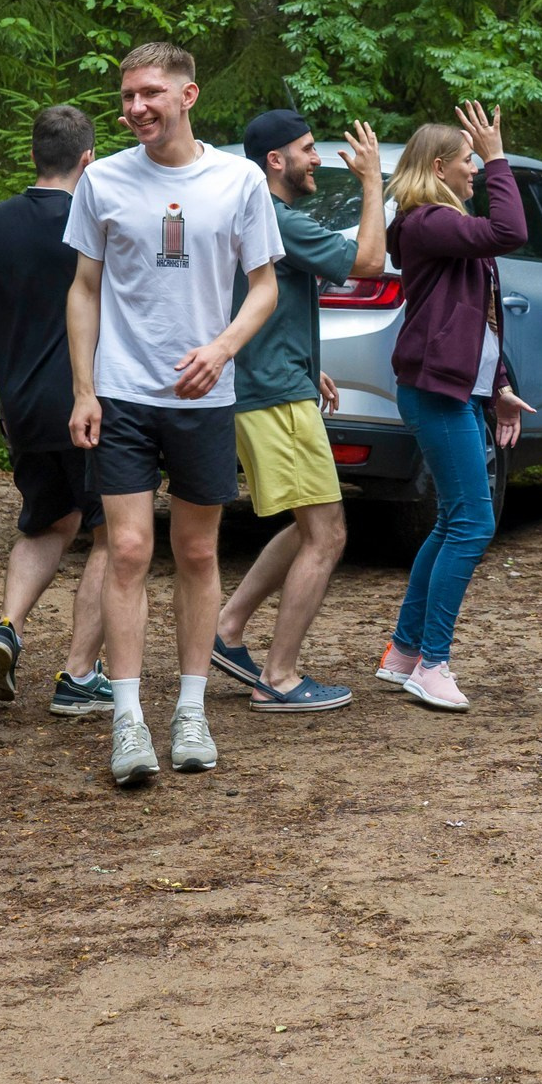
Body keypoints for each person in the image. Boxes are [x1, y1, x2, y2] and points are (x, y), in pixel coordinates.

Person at [65, 43, 284, 786]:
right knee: (127, 550)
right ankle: (127, 720)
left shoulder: (238, 180)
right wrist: (85, 388)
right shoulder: (102, 180)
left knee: (195, 553)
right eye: (126, 96)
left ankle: (191, 709)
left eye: (150, 93)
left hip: (203, 398)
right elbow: (84, 288)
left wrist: (222, 349)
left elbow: (263, 287)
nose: (135, 108)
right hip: (124, 394)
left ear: (188, 94)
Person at [210, 109, 387, 712]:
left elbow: (255, 303)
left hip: (274, 382)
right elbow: (367, 263)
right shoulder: (277, 218)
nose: (318, 160)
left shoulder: (256, 217)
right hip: (272, 396)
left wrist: (306, 363)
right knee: (328, 533)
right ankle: (279, 678)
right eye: (309, 150)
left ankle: (227, 629)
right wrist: (372, 184)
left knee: (306, 525)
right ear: (275, 162)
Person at [0, 104, 116, 719]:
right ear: (87, 159)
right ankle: (79, 675)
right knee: (111, 536)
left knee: (47, 522)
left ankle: (7, 627)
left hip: (21, 403)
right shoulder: (97, 223)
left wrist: (5, 377)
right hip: (91, 402)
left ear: (33, 156)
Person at [379, 102, 535, 712]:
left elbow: (480, 318)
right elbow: (511, 231)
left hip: (459, 390)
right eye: (469, 162)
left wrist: (497, 387)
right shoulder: (425, 221)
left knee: (453, 521)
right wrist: (499, 158)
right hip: (434, 391)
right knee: (473, 522)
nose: (476, 171)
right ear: (440, 166)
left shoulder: (443, 224)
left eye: (479, 162)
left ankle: (404, 653)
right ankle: (433, 663)